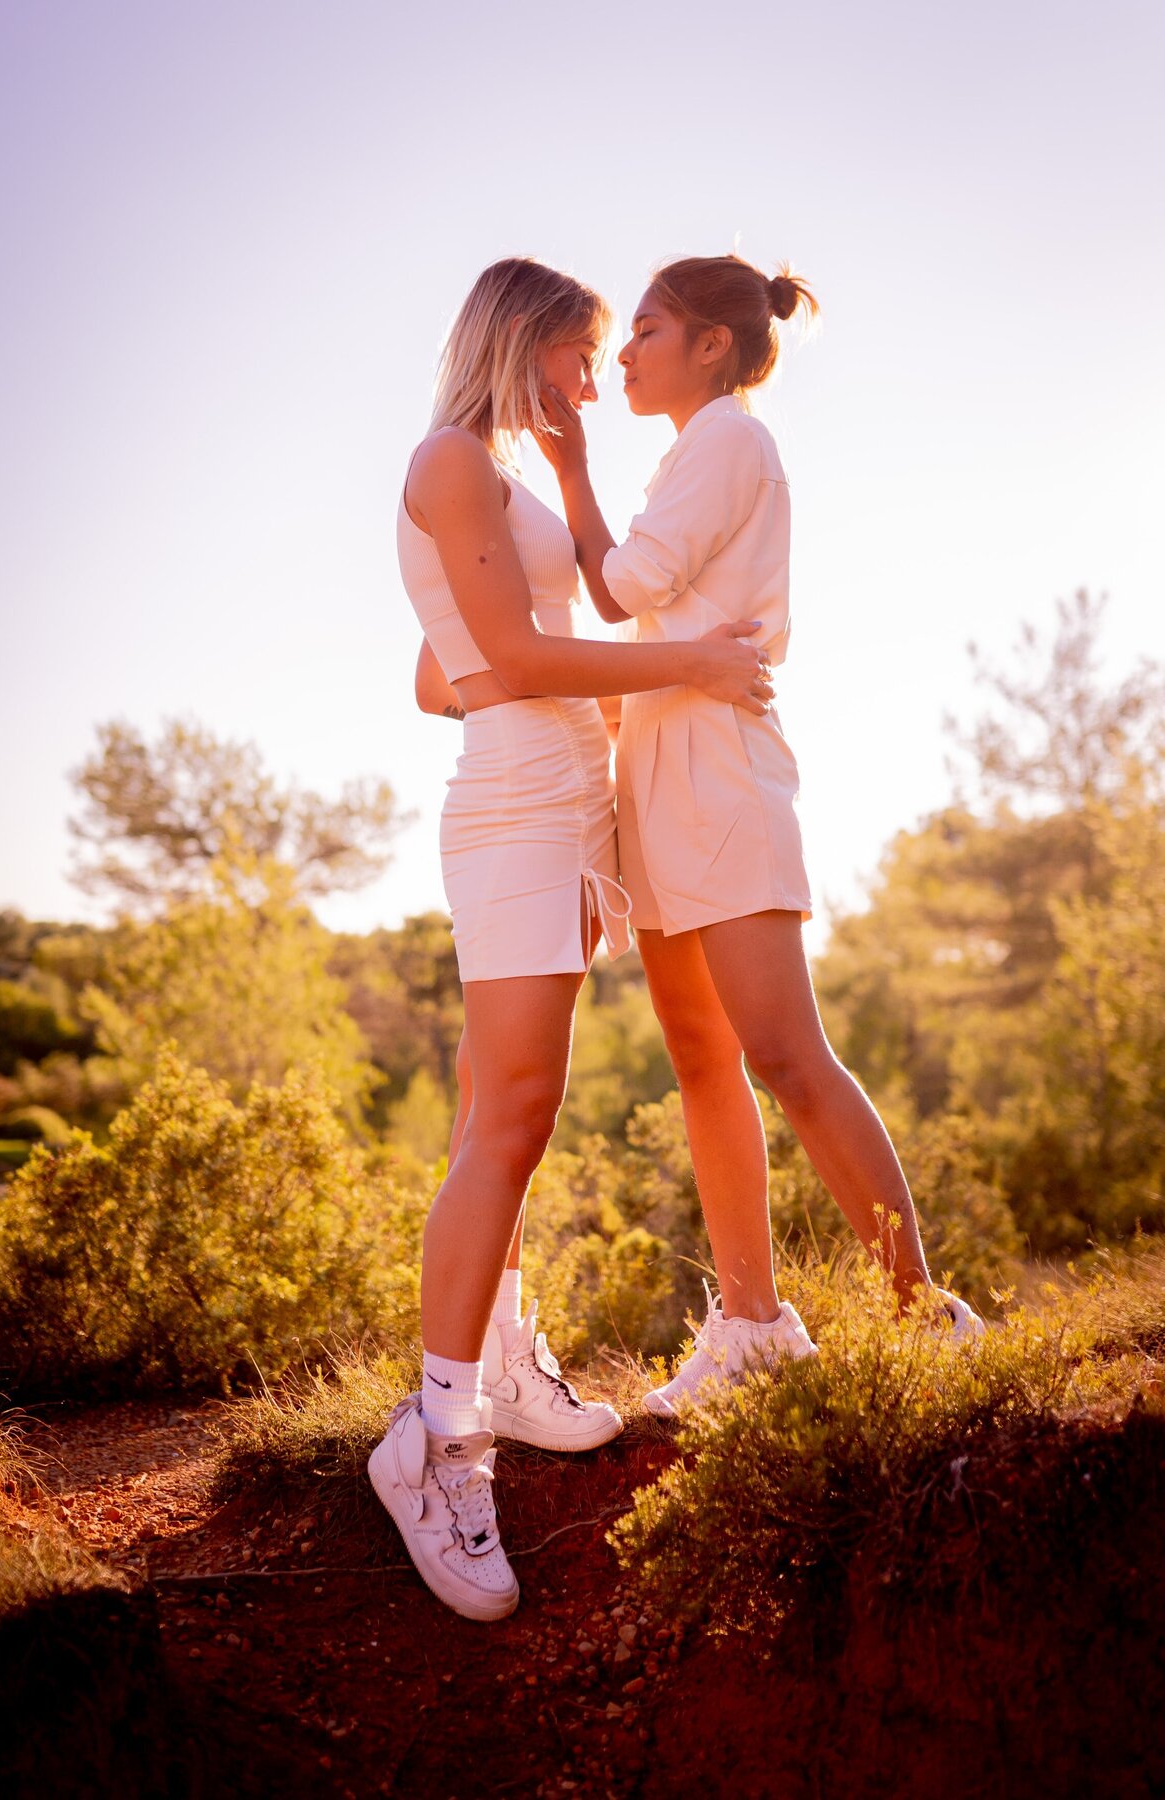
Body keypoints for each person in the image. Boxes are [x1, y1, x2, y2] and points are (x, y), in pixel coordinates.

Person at [368, 257, 771, 1621]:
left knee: (500, 1098)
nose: (590, 381)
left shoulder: (496, 479)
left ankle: (499, 1363)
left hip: (562, 809)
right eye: (578, 355)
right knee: (516, 1116)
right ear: (525, 341)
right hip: (521, 815)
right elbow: (515, 662)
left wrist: (515, 667)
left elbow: (448, 667)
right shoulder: (449, 462)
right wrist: (689, 664)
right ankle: (435, 1442)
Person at [534, 252, 984, 1418]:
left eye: (645, 330)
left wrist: (574, 471)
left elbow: (623, 590)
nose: (623, 354)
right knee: (700, 1056)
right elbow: (638, 609)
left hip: (721, 779)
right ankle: (749, 1325)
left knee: (786, 1053)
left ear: (713, 346)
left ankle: (925, 1312)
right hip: (661, 773)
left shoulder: (730, 438)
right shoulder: (699, 450)